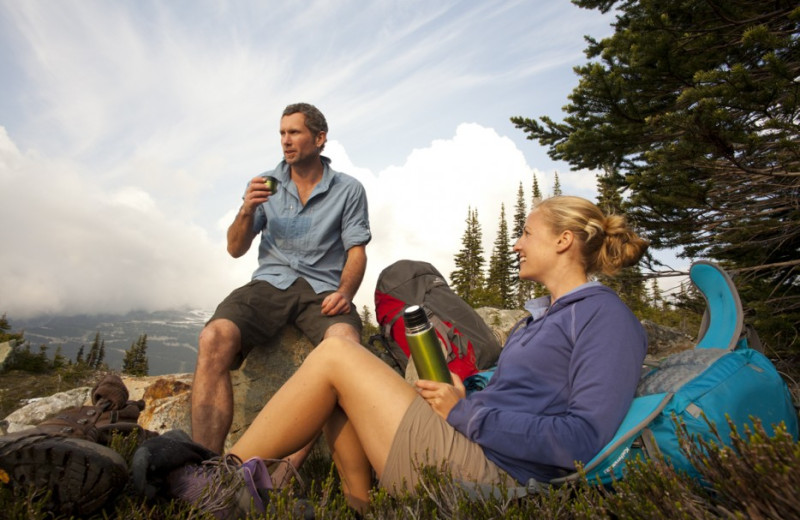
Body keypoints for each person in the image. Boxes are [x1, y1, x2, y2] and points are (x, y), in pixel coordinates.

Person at [178, 195, 649, 514]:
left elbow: (583, 438)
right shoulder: (544, 316)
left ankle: (223, 484)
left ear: (564, 241)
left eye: (527, 233)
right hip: (473, 447)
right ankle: (360, 507)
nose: (518, 242)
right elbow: (527, 399)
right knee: (343, 385)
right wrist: (466, 400)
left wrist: (467, 414)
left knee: (337, 356)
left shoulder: (603, 317)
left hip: (498, 477)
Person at [191, 103, 372, 458]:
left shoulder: (349, 190)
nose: (286, 141)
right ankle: (203, 464)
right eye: (282, 133)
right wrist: (246, 210)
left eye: (295, 133)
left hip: (322, 289)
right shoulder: (264, 184)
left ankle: (290, 472)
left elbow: (356, 251)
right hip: (269, 284)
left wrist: (346, 292)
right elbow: (234, 249)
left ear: (320, 139)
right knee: (214, 337)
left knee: (345, 343)